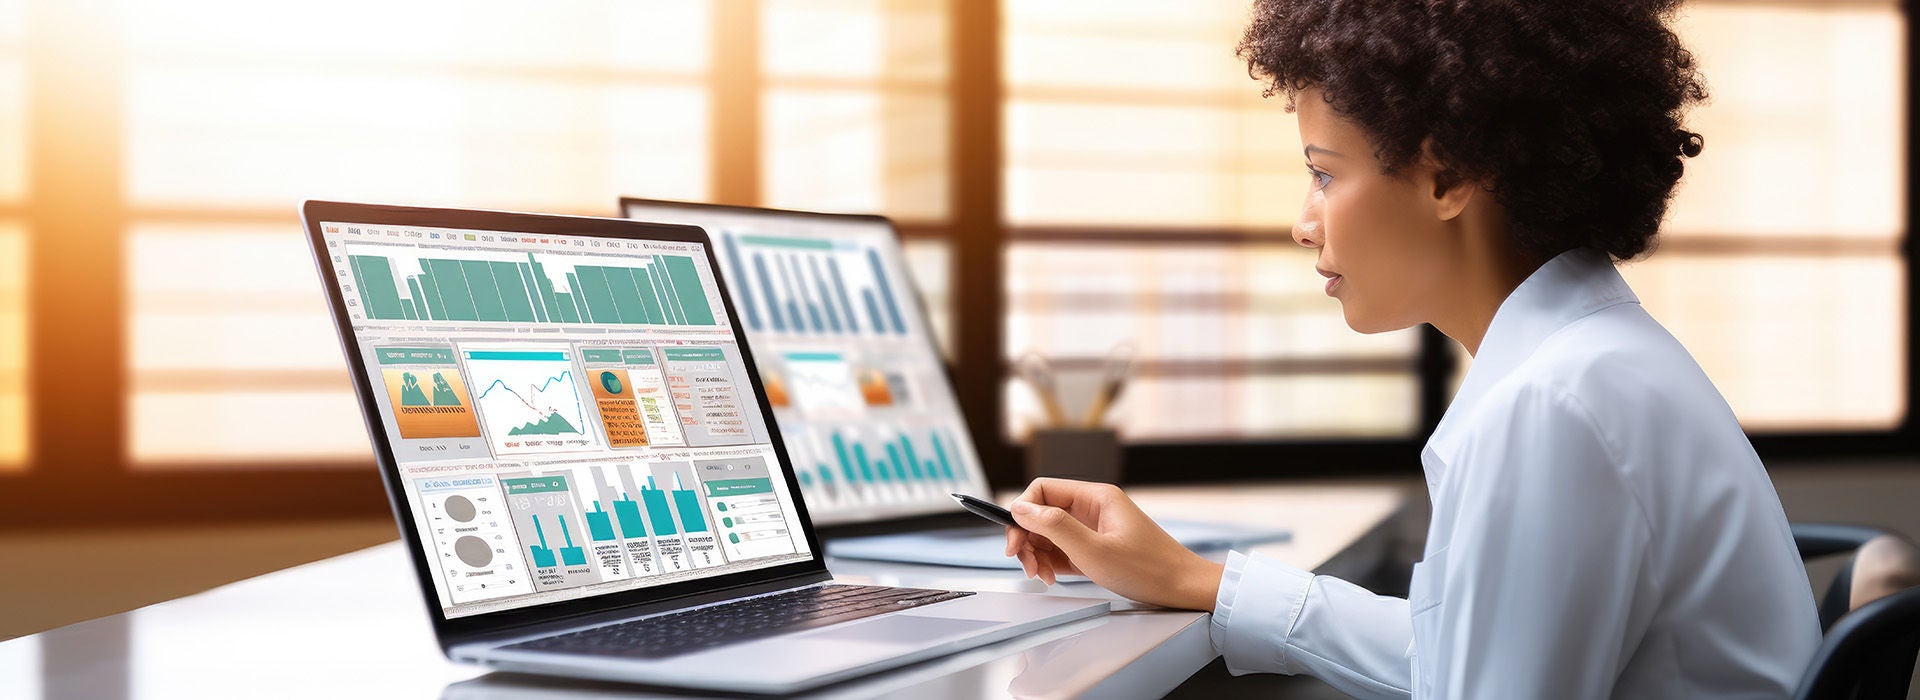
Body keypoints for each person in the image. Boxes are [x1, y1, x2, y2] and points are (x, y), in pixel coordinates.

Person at [1002, 1, 1823, 697]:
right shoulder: (1591, 361)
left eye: (1324, 174)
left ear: (1448, 177)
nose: (1304, 220)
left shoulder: (1554, 407)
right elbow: (1463, 653)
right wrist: (1198, 581)